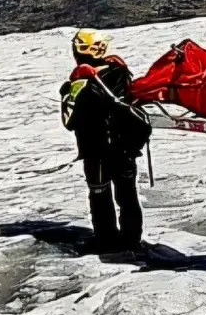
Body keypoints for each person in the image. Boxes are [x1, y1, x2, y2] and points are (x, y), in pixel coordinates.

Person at [59, 28, 151, 253]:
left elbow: (70, 121)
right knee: (127, 195)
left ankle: (106, 240)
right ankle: (132, 241)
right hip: (125, 148)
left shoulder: (79, 82)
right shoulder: (121, 72)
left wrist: (68, 93)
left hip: (96, 151)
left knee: (100, 195)